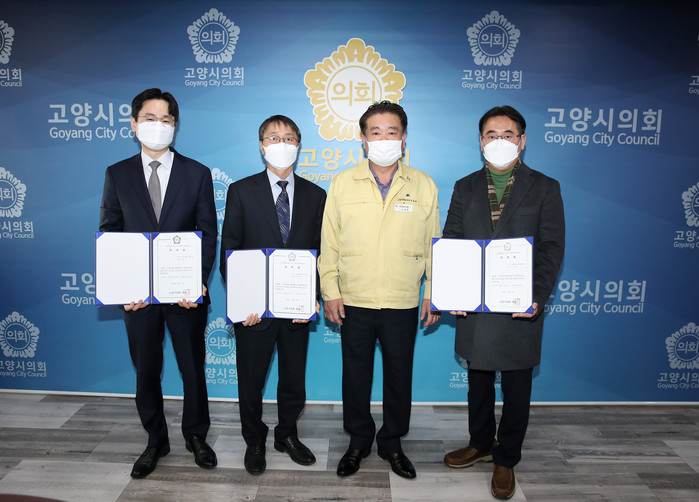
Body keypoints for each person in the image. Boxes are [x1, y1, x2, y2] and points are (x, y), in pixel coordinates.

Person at [441, 105, 565, 500]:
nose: (500, 141)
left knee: (516, 387)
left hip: (518, 305)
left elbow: (551, 248)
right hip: (475, 305)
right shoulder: (464, 186)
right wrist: (453, 290)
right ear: (481, 142)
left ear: (522, 141)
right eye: (491, 135)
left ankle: (506, 458)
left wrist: (536, 297)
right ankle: (480, 443)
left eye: (508, 134)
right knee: (477, 382)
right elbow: (453, 240)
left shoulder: (545, 187)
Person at [99, 88, 218, 478]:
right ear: (134, 124)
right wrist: (122, 288)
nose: (158, 125)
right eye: (150, 118)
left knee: (192, 369)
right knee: (146, 371)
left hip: (185, 296)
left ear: (175, 126)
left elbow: (207, 232)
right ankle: (155, 440)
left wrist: (197, 282)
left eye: (166, 119)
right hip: (138, 298)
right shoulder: (117, 173)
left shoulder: (197, 173)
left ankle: (196, 436)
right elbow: (111, 231)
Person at [318, 101, 440, 479]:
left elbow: (434, 244)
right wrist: (330, 290)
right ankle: (358, 441)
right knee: (355, 375)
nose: (384, 138)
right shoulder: (343, 183)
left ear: (403, 138)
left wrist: (433, 292)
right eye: (376, 132)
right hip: (354, 298)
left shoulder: (423, 184)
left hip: (402, 298)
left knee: (399, 375)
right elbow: (329, 243)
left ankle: (392, 442)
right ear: (363, 139)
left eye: (392, 132)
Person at [219, 115, 326, 475]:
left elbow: (321, 252)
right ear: (262, 146)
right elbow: (230, 250)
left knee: (293, 379)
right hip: (254, 312)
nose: (282, 144)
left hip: (296, 308)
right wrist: (242, 301)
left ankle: (287, 435)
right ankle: (254, 440)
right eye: (274, 138)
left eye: (289, 138)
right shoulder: (241, 191)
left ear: (299, 145)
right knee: (250, 379)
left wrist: (313, 296)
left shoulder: (316, 195)